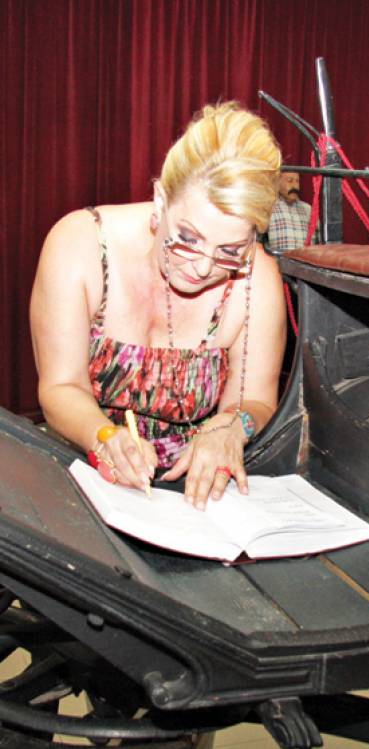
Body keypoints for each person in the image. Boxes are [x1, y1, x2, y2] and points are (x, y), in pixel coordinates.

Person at [30, 102, 286, 511]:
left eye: (230, 250)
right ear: (161, 199)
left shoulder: (258, 278)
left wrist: (231, 429)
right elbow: (61, 387)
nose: (203, 267)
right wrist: (104, 436)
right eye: (188, 238)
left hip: (194, 492)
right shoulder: (80, 245)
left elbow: (256, 400)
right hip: (83, 467)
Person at [267, 170, 316, 254]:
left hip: (305, 260)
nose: (295, 186)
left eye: (297, 181)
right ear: (277, 183)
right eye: (290, 181)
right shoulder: (269, 208)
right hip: (278, 260)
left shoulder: (308, 209)